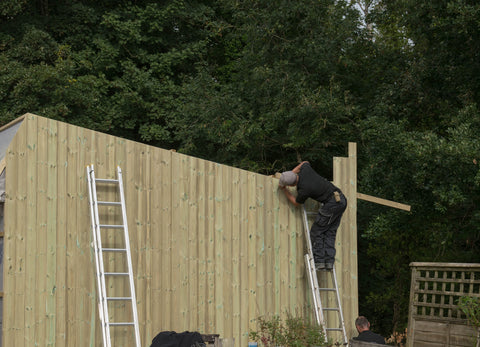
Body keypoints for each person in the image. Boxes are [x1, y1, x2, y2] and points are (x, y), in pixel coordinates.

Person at [278, 161, 347, 270]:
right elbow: (305, 162)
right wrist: (289, 174)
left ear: (291, 185)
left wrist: (284, 190)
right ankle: (328, 262)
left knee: (317, 231)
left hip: (331, 205)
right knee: (330, 232)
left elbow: (296, 202)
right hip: (341, 199)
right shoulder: (306, 170)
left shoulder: (303, 190)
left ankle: (319, 262)